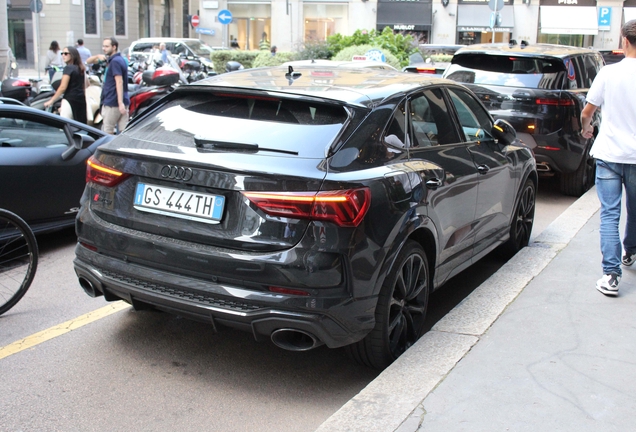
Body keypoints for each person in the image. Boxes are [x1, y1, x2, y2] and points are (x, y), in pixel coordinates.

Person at [581, 19, 636, 296]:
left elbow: (588, 111)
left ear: (624, 41)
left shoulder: (608, 73)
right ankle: (631, 252)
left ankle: (611, 276)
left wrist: (586, 128)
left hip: (610, 154)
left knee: (610, 214)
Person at [86, 37, 129, 134]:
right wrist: (98, 56)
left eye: (106, 46)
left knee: (107, 131)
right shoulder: (117, 59)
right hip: (120, 100)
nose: (104, 48)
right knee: (123, 131)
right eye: (103, 46)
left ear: (114, 47)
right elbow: (88, 61)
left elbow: (119, 82)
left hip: (113, 101)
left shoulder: (115, 62)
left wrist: (120, 102)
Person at [43, 46, 87, 124]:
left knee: (66, 125)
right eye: (62, 53)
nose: (63, 55)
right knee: (80, 125)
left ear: (72, 55)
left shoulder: (68, 68)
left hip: (69, 100)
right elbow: (86, 85)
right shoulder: (81, 68)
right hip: (81, 100)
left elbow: (63, 87)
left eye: (66, 53)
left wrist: (51, 101)